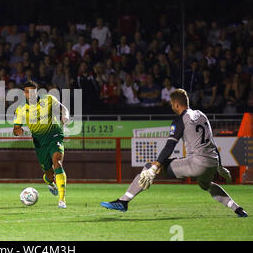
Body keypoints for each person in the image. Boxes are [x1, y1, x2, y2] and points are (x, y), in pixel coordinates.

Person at [100, 89, 248, 218]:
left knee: (148, 166)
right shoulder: (202, 115)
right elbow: (213, 144)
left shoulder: (180, 120)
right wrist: (220, 168)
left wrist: (154, 167)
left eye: (171, 104)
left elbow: (170, 146)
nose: (171, 106)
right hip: (212, 162)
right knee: (207, 185)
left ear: (176, 104)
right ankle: (237, 208)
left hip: (196, 163)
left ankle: (123, 201)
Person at [13, 81, 70, 209]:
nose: (30, 94)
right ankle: (49, 181)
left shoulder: (49, 99)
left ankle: (62, 200)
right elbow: (16, 128)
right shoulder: (21, 109)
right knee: (49, 173)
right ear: (24, 93)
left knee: (57, 162)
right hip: (40, 143)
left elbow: (63, 108)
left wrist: (65, 116)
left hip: (55, 135)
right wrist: (18, 131)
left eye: (32, 91)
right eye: (27, 92)